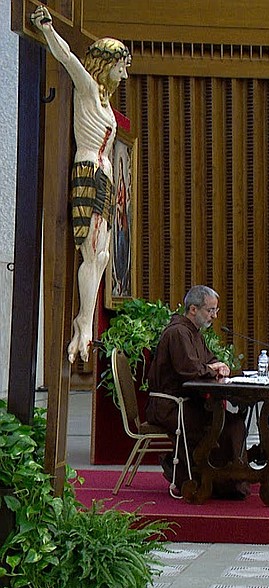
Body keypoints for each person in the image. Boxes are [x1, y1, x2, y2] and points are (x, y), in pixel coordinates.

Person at [32, 5, 132, 364]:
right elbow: (67, 56)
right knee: (91, 251)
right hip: (88, 171)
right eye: (120, 65)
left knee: (103, 254)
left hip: (104, 173)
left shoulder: (106, 103)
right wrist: (45, 28)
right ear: (106, 64)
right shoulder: (88, 88)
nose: (124, 72)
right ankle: (84, 324)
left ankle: (84, 319)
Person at [146, 285, 249, 500]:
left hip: (186, 403)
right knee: (218, 426)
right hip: (170, 407)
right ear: (193, 309)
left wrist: (220, 366)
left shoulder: (193, 332)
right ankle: (209, 480)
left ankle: (229, 480)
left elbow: (208, 361)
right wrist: (212, 369)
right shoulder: (177, 333)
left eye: (215, 311)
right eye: (210, 310)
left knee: (233, 422)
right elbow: (190, 371)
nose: (214, 316)